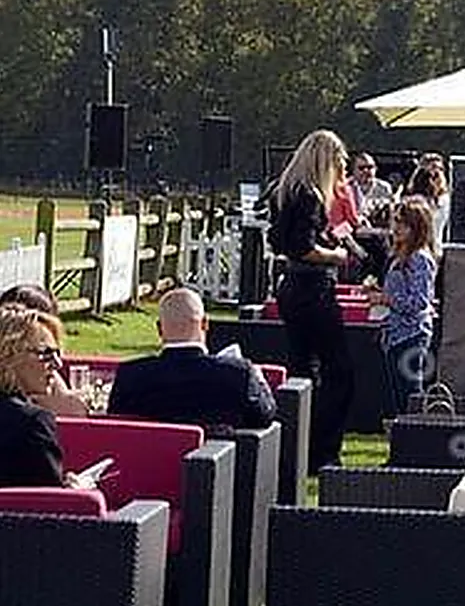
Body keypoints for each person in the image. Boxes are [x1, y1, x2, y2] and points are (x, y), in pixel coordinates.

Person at [269, 129, 358, 473]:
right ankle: (324, 451)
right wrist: (336, 256)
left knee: (302, 370)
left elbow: (281, 241)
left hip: (292, 287)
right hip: (313, 288)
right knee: (339, 371)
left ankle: (299, 448)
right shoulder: (309, 196)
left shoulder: (285, 191)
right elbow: (303, 247)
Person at [108, 288, 277, 432]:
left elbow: (116, 425)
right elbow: (265, 415)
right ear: (205, 324)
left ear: (159, 329)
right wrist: (258, 377)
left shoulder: (130, 376)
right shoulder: (238, 373)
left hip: (150, 460)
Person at [368, 197, 439, 415]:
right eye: (397, 221)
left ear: (418, 228)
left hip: (412, 335)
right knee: (399, 399)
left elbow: (419, 302)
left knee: (410, 397)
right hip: (395, 334)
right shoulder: (400, 255)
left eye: (405, 223)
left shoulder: (420, 259)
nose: (397, 227)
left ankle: (416, 433)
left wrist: (386, 299)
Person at [0, 304, 79, 488]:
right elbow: (48, 502)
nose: (58, 364)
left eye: (58, 354)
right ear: (9, 355)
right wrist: (75, 493)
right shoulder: (32, 424)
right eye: (46, 354)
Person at [406, 155, 450, 248]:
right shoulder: (411, 201)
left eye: (440, 169)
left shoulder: (445, 200)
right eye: (433, 168)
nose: (437, 172)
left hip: (435, 248)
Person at [349, 153, 394, 225]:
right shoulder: (347, 187)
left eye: (370, 167)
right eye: (361, 168)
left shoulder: (384, 187)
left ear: (376, 169)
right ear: (354, 170)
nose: (366, 171)